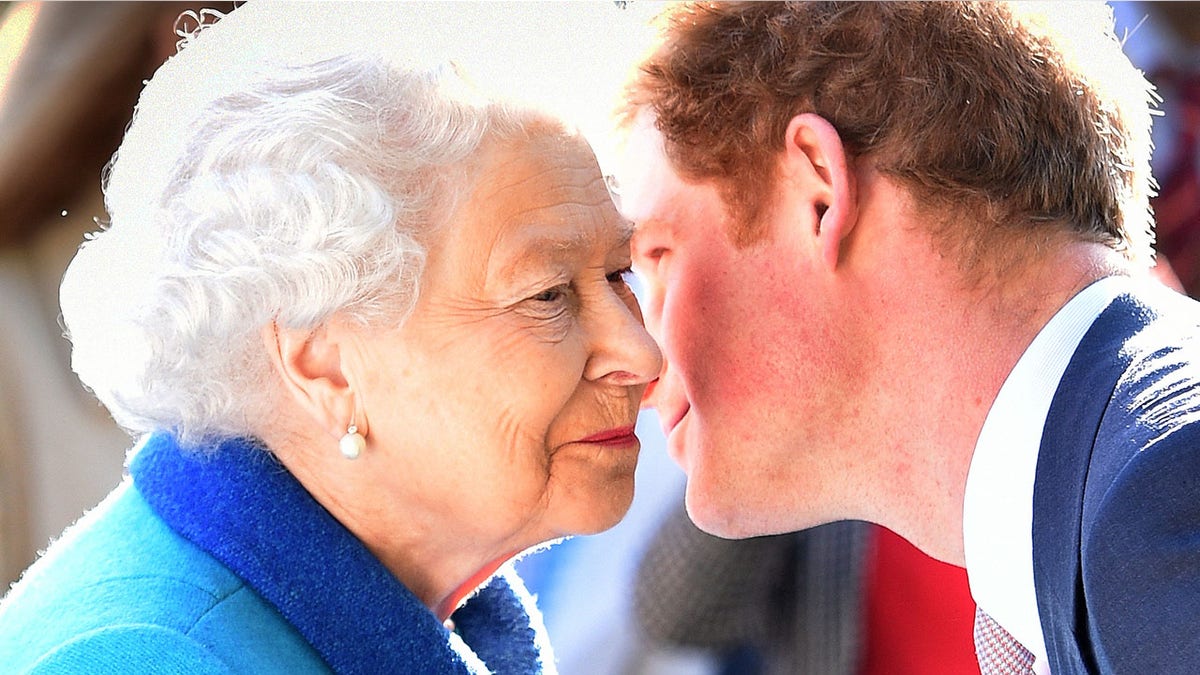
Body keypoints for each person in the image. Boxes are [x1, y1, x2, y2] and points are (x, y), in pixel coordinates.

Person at [0, 3, 661, 672]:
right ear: (327, 366)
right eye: (548, 294)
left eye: (617, 272)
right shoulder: (150, 656)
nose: (641, 353)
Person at [615, 2, 1199, 673]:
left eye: (657, 256)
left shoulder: (1164, 495)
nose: (636, 358)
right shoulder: (1121, 498)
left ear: (819, 192)